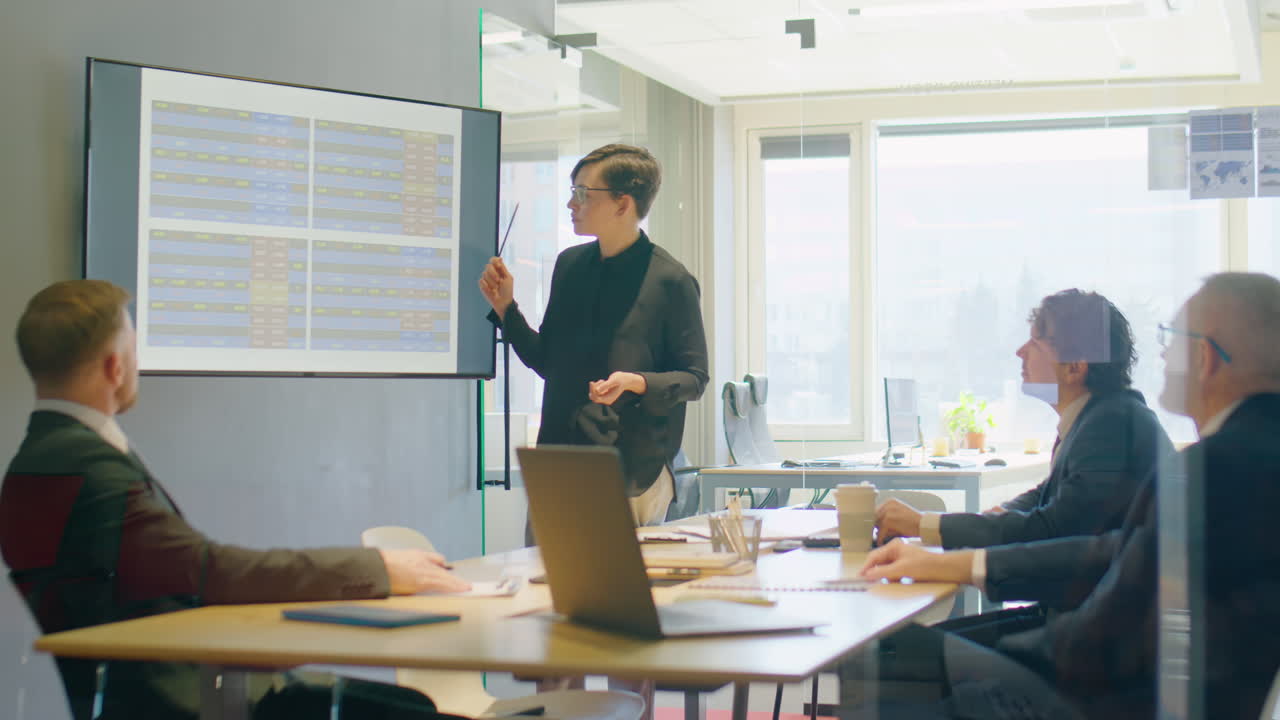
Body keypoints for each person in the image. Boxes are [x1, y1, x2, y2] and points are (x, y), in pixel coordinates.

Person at [0, 280, 471, 720]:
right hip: (189, 697)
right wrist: (379, 569)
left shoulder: (39, 460)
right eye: (134, 348)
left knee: (408, 702)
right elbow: (213, 570)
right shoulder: (88, 470)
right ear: (114, 366)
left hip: (171, 686)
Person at [846, 272, 1280, 719]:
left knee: (886, 666)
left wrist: (1000, 649)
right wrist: (957, 561)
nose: (1164, 351)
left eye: (1174, 336)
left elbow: (1094, 586)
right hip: (1126, 674)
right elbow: (1113, 548)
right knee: (902, 657)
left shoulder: (1213, 461)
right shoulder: (1246, 450)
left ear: (1204, 357)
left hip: (1109, 693)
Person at [479, 144, 709, 528]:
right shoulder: (570, 266)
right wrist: (507, 309)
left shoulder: (672, 280)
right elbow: (549, 361)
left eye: (583, 193)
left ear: (623, 204)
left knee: (620, 588)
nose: (572, 203)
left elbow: (694, 379)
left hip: (630, 469)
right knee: (541, 583)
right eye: (573, 191)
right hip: (558, 459)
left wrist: (636, 382)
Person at [877, 289, 1168, 551]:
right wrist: (990, 518)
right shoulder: (1099, 416)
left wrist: (923, 524)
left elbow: (1053, 529)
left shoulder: (1109, 427)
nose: (1020, 352)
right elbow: (1047, 495)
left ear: (1074, 368)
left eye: (1035, 344)